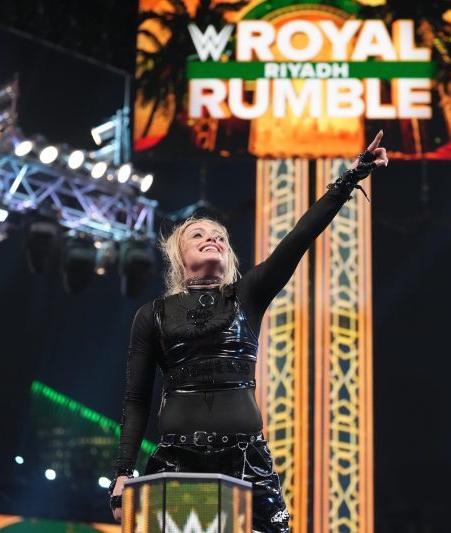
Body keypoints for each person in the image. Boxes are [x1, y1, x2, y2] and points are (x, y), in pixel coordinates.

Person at [109, 131, 388, 531]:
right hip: (176, 461)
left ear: (229, 256)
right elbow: (136, 399)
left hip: (247, 460)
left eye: (220, 237)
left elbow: (300, 236)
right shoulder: (151, 315)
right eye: (199, 235)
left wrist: (350, 177)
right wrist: (123, 472)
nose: (212, 239)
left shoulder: (247, 295)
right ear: (178, 256)